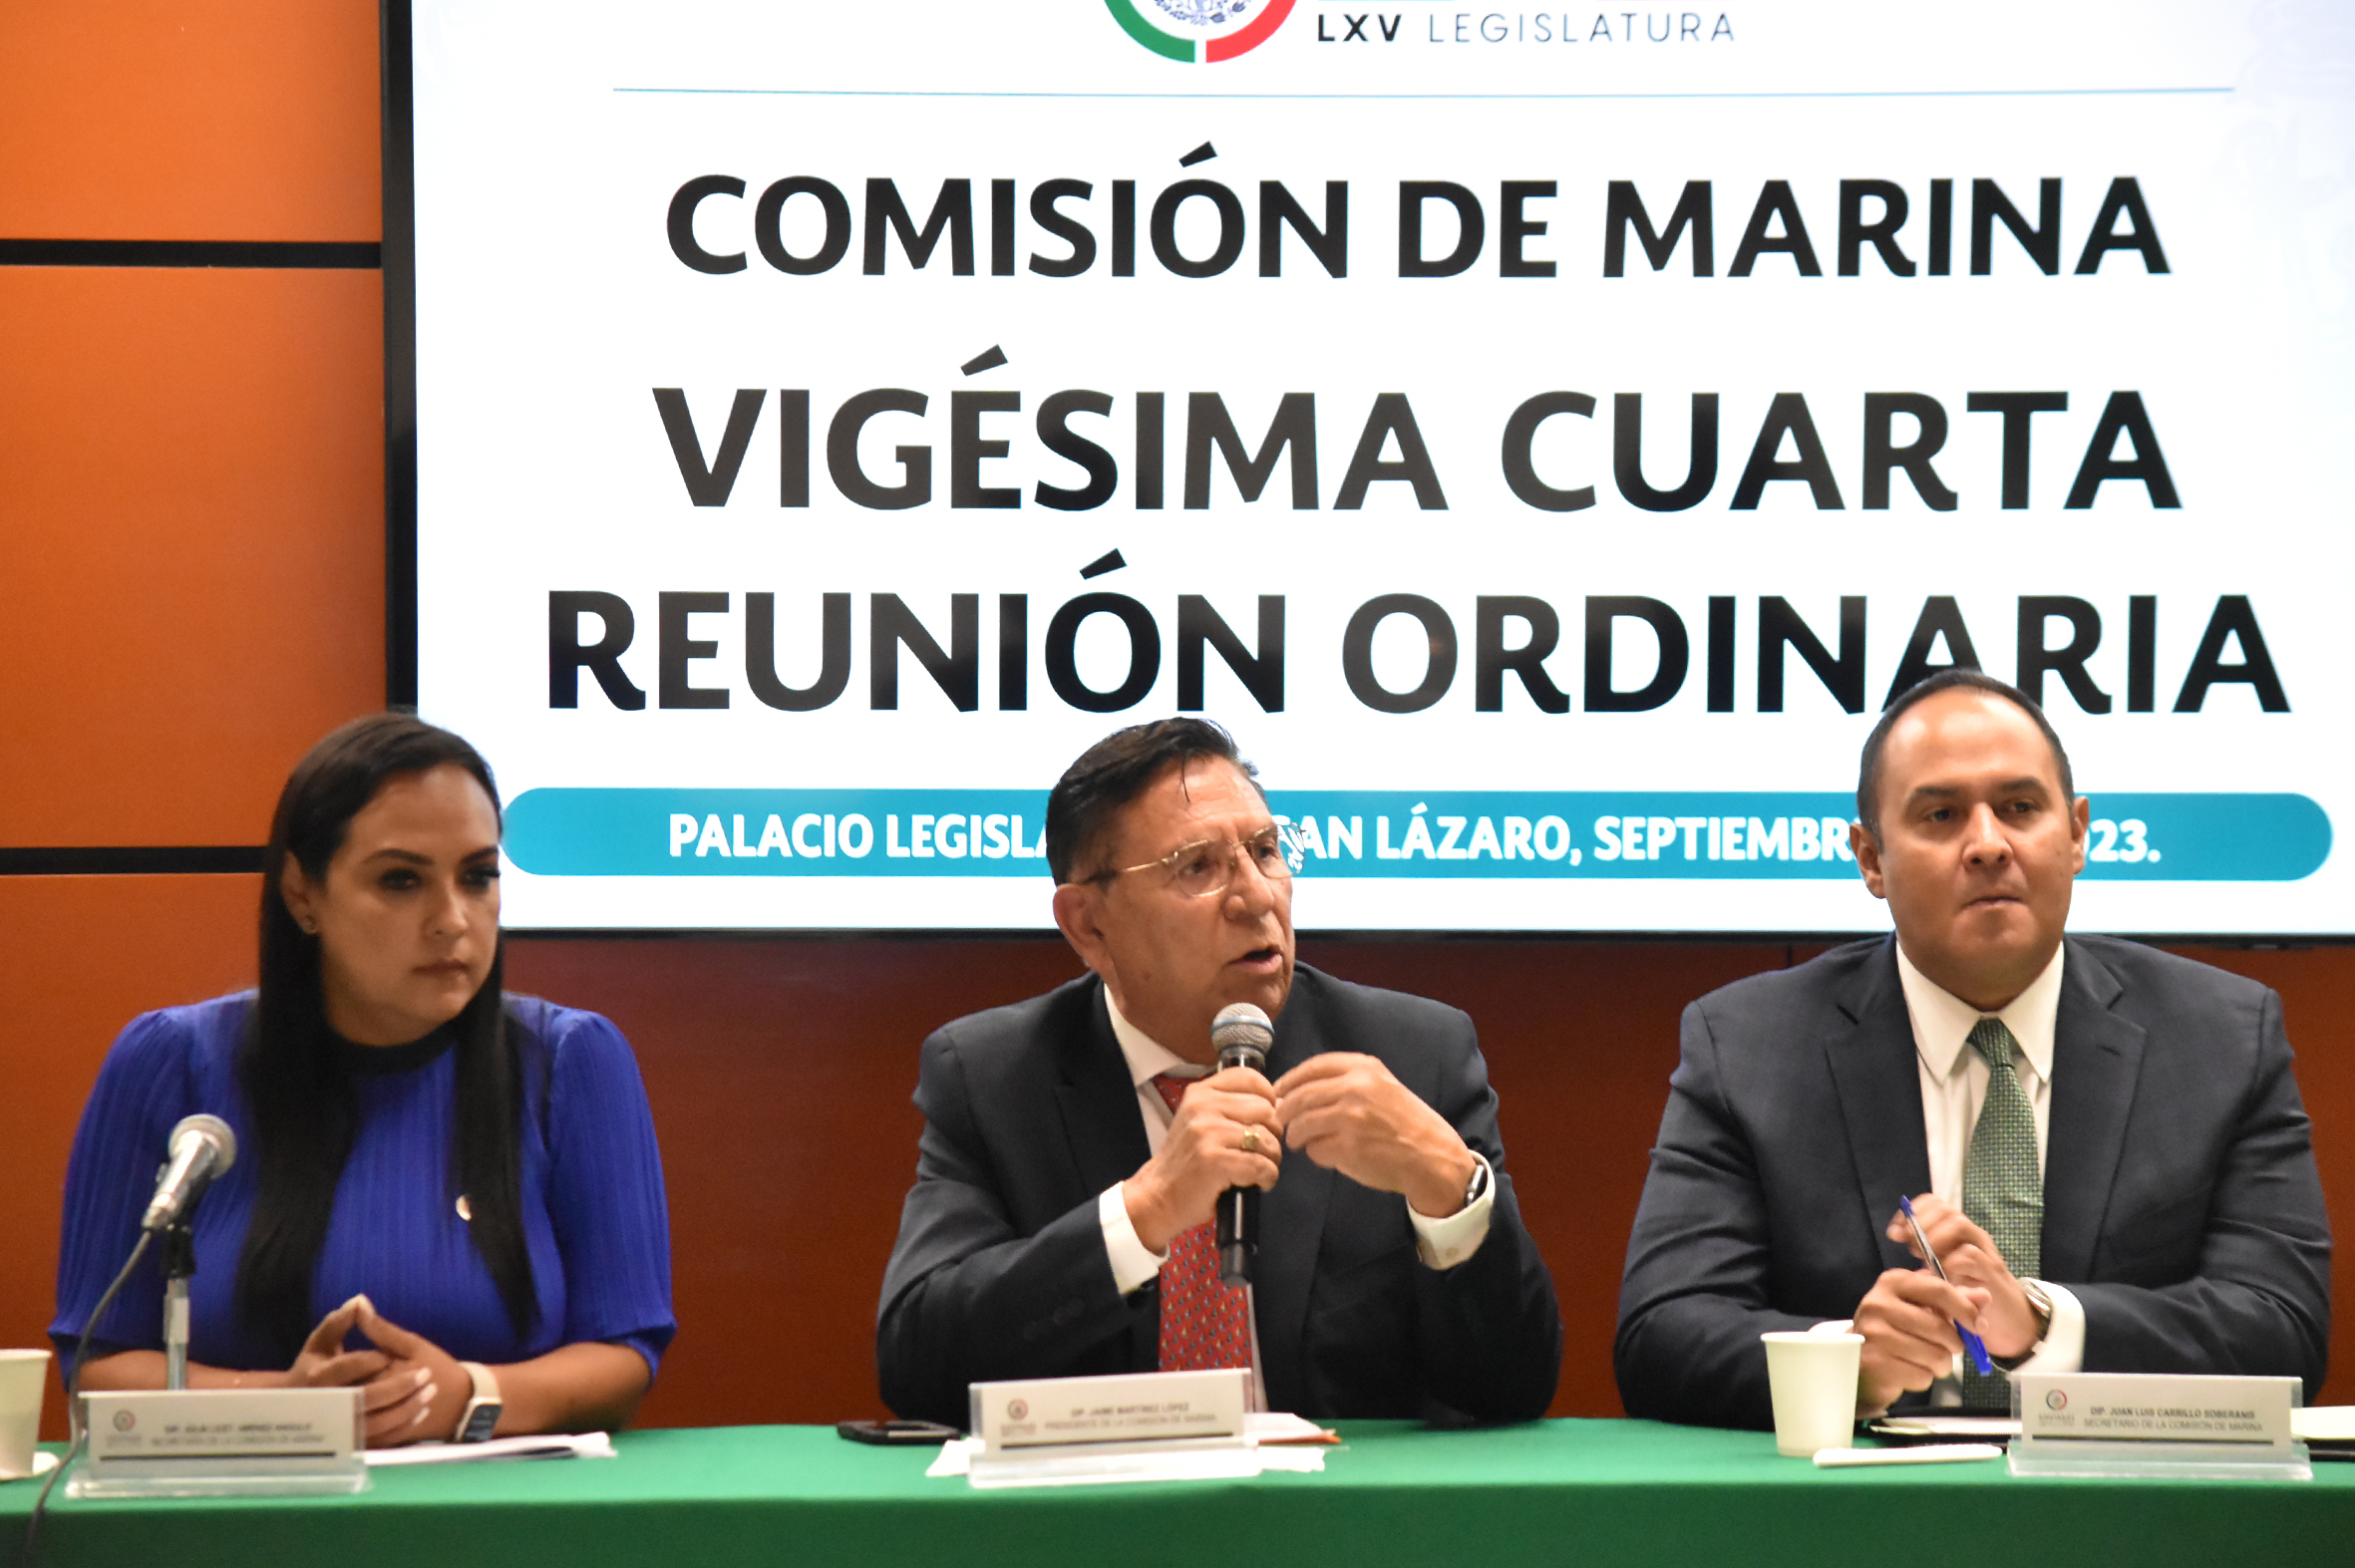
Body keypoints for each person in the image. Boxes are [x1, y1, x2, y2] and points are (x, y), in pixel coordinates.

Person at [1614, 670, 2331, 1427]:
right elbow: (1661, 1334)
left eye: (2020, 808)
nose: (1988, 844)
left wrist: (2046, 1326)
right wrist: (1845, 1360)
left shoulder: (2221, 1038)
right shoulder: (1748, 1046)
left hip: (2118, 1496)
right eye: (1941, 815)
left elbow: (2284, 1329)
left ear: (2077, 833)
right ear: (1871, 859)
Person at [876, 719, 1561, 1424]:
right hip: (1108, 1494)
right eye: (1196, 867)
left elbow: (1513, 1388)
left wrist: (1450, 1190)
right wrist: (1145, 1211)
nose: (1257, 897)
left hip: (1337, 1495)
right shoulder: (994, 1079)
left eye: (1266, 851)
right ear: (1088, 924)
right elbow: (918, 1365)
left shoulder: (1413, 1055)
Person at [52, 715, 674, 1444]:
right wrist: (287, 1403)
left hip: (495, 1505)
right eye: (401, 880)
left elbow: (624, 1351)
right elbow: (96, 1362)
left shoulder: (571, 1061)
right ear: (302, 894)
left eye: (478, 876)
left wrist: (469, 1395)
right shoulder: (169, 1062)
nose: (452, 920)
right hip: (247, 1507)